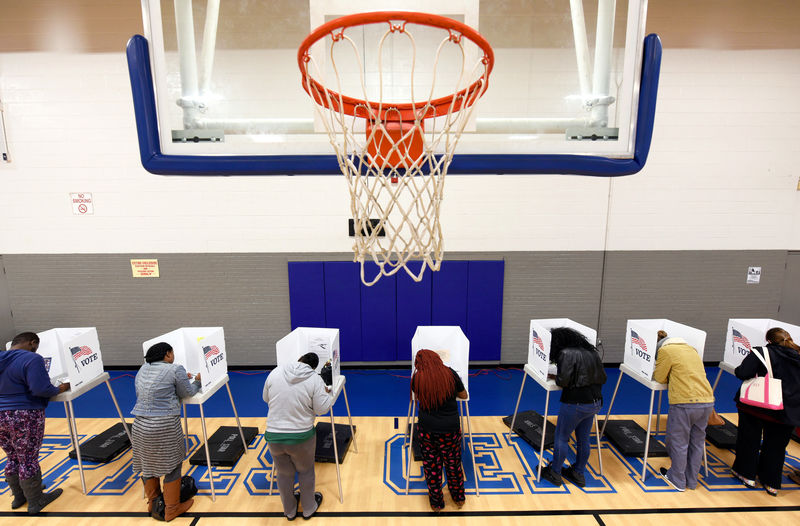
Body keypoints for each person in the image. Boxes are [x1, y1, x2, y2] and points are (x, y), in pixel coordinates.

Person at [0, 332, 69, 514]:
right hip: (25, 414)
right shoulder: (32, 359)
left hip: (0, 415)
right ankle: (36, 501)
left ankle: (19, 497)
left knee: (12, 456)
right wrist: (60, 388)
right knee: (28, 458)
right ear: (32, 343)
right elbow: (40, 389)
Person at [132, 342, 201, 521]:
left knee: (147, 465)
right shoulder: (175, 369)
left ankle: (153, 503)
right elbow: (187, 393)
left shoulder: (142, 369)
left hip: (139, 425)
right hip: (165, 425)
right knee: (173, 465)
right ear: (168, 355)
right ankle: (171, 509)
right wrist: (198, 381)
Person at [263, 352, 332, 521]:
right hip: (301, 436)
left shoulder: (276, 372)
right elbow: (322, 409)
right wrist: (328, 393)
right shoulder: (315, 379)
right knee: (305, 471)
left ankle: (290, 511)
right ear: (313, 367)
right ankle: (309, 508)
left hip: (273, 435)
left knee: (283, 473)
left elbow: (265, 398)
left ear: (299, 360)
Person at [731, 327, 800, 496]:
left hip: (757, 407)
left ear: (769, 341)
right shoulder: (798, 355)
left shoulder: (762, 352)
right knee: (776, 447)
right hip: (787, 410)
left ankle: (747, 475)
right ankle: (771, 483)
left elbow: (743, 372)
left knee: (749, 440)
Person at [539, 327, 607, 488]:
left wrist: (554, 376)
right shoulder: (592, 352)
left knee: (561, 437)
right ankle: (578, 473)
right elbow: (599, 377)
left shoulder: (566, 354)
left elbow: (563, 382)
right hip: (595, 402)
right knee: (583, 439)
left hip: (575, 403)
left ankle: (555, 473)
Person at [652, 332, 714, 491]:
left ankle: (677, 480)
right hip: (707, 401)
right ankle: (692, 481)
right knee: (697, 442)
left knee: (679, 442)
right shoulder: (691, 349)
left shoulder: (666, 351)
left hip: (685, 401)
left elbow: (659, 377)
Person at [410, 349, 468, 512]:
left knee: (431, 467)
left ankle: (436, 504)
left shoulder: (417, 379)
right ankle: (458, 499)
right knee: (453, 465)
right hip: (450, 430)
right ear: (437, 359)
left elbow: (418, 398)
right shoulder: (450, 374)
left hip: (427, 430)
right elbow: (463, 396)